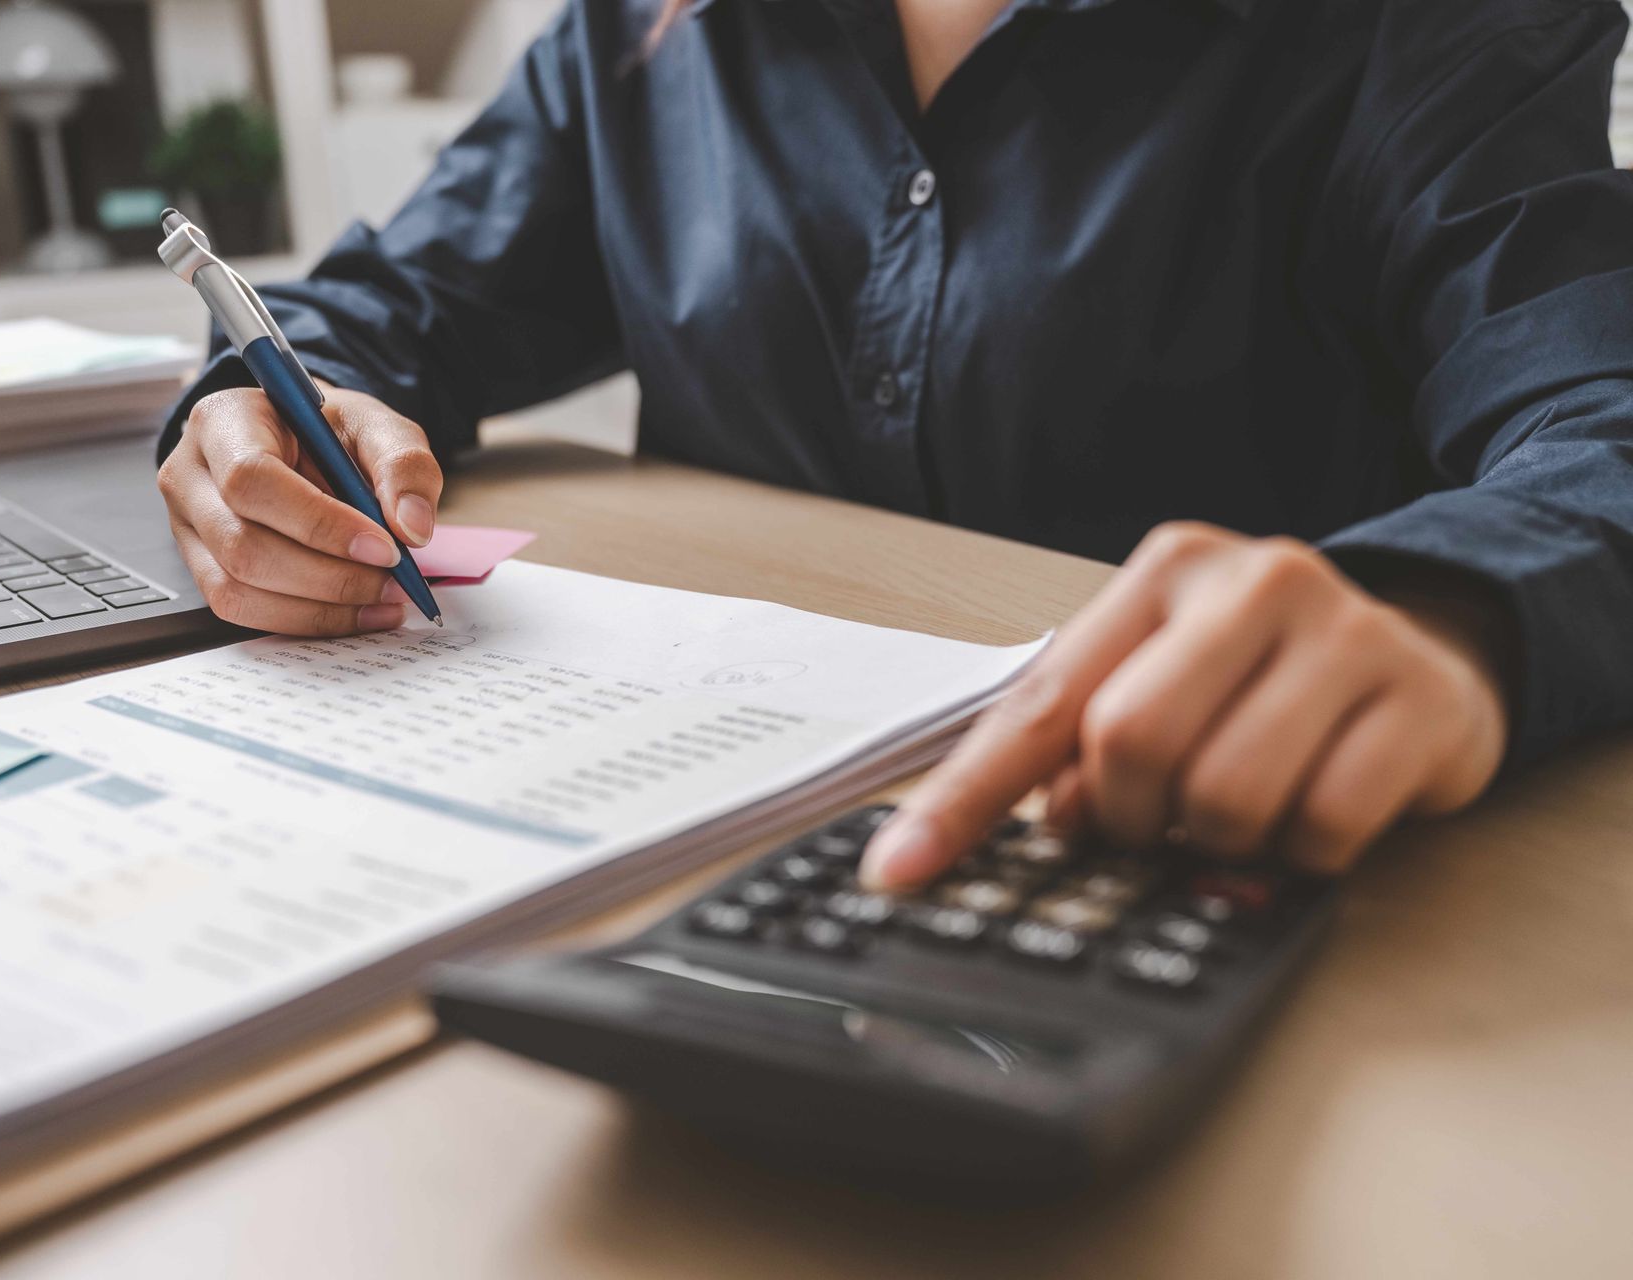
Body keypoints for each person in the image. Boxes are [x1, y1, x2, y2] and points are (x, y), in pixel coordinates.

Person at [157, 0, 1633, 891]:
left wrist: (1447, 604)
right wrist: (269, 405)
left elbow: (1602, 409)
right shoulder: (639, 34)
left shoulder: (1415, 27)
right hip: (667, 835)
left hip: (1173, 860)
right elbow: (396, 301)